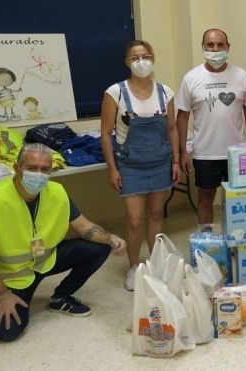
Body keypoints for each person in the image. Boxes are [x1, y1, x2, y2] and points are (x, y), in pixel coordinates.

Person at [0, 143, 127, 342]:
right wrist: (2, 295)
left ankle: (61, 297)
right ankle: (7, 297)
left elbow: (84, 226)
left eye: (45, 169)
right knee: (7, 332)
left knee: (99, 247)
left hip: (46, 259)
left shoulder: (57, 192)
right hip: (13, 276)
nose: (39, 174)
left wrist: (110, 237)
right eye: (32, 168)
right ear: (17, 168)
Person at [100, 40, 181, 291]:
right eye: (135, 58)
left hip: (160, 162)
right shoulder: (115, 93)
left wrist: (176, 160)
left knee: (156, 215)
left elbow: (171, 129)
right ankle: (134, 266)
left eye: (146, 56)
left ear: (153, 58)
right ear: (127, 62)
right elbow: (105, 133)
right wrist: (112, 168)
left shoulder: (165, 92)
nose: (141, 62)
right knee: (134, 220)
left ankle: (156, 264)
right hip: (130, 165)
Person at [176, 28, 246, 232]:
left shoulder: (242, 76)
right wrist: (182, 152)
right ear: (203, 48)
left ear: (228, 47)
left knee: (238, 201)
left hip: (237, 153)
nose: (215, 49)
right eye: (210, 45)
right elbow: (182, 117)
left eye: (220, 45)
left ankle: (237, 241)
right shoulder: (191, 78)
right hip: (205, 153)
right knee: (205, 200)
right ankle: (206, 242)